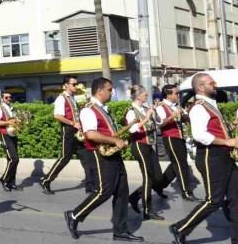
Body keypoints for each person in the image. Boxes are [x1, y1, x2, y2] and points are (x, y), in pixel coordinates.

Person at [64, 78, 142, 242]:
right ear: (99, 91)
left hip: (113, 154)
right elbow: (91, 134)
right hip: (100, 156)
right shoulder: (88, 110)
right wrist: (114, 141)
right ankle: (74, 215)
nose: (112, 92)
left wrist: (119, 141)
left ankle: (120, 230)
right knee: (103, 192)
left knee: (122, 192)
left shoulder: (103, 109)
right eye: (109, 89)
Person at [170, 73, 238, 244]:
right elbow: (200, 135)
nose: (215, 85)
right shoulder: (199, 107)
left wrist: (232, 126)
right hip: (211, 156)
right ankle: (180, 228)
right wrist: (227, 141)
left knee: (236, 197)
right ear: (201, 87)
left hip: (225, 155)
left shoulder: (210, 105)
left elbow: (215, 130)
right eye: (212, 83)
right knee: (214, 201)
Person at [41, 76, 93, 195]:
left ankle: (90, 186)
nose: (76, 86)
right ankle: (46, 180)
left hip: (77, 132)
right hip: (68, 131)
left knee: (88, 159)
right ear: (66, 85)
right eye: (73, 84)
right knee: (64, 158)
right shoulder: (61, 99)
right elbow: (57, 116)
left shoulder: (73, 98)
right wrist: (73, 123)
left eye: (76, 84)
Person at [124, 85, 165, 220]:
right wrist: (146, 118)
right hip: (139, 145)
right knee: (148, 177)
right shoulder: (131, 111)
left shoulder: (146, 109)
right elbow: (132, 129)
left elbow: (158, 122)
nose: (147, 97)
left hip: (149, 145)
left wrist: (155, 114)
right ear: (139, 96)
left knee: (158, 177)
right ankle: (148, 210)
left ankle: (134, 197)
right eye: (145, 95)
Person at [154, 84, 197, 201]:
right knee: (181, 164)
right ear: (168, 95)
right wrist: (171, 116)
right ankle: (186, 191)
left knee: (175, 164)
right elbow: (160, 125)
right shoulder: (161, 107)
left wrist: (184, 114)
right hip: (170, 137)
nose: (178, 95)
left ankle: (158, 186)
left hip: (180, 137)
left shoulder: (177, 106)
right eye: (175, 93)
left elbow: (187, 119)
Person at [0, 91, 21, 192]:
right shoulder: (0, 108)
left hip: (12, 134)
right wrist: (8, 122)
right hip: (5, 134)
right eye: (6, 97)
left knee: (13, 160)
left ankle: (11, 183)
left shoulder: (11, 108)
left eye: (10, 97)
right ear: (2, 99)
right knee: (14, 159)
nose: (9, 99)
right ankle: (4, 179)